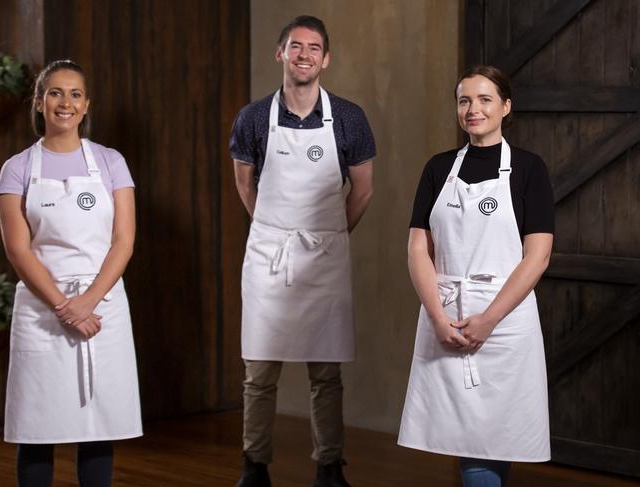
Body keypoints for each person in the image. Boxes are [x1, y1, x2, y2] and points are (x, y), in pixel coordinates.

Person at [230, 15, 375, 487]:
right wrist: (276, 231)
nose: (304, 55)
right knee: (259, 373)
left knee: (326, 373)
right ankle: (255, 466)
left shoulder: (349, 118)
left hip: (324, 255)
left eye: (314, 48)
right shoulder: (253, 118)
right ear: (281, 54)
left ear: (326, 59)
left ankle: (329, 467)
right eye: (296, 47)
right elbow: (245, 185)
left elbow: (364, 191)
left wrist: (329, 234)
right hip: (270, 253)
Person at [398, 65, 554, 486]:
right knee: (470, 439)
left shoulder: (528, 169)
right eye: (464, 100)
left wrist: (489, 319)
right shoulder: (437, 169)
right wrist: (436, 315)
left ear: (505, 107)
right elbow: (418, 248)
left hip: (506, 324)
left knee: (495, 435)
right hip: (447, 315)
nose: (473, 109)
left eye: (485, 99)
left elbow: (537, 257)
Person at [0, 60, 142, 487]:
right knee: (37, 429)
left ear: (86, 105)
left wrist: (88, 302)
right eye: (56, 93)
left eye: (75, 94)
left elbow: (124, 242)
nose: (66, 102)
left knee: (97, 428)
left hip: (103, 308)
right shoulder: (17, 168)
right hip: (42, 312)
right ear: (40, 103)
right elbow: (17, 250)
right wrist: (64, 305)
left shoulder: (111, 162)